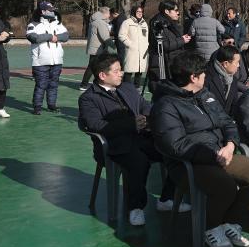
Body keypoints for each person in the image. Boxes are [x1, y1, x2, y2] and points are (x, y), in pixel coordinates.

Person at [151, 51, 249, 247]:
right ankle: (210, 228)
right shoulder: (166, 105)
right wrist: (214, 156)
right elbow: (175, 145)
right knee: (226, 186)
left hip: (221, 153)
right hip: (190, 164)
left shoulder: (205, 95)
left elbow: (227, 122)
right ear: (193, 78)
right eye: (203, 74)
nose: (206, 77)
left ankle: (229, 222)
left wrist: (230, 144)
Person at [78, 55, 183, 226]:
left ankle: (166, 199)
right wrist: (131, 124)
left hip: (142, 137)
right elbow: (95, 125)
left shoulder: (127, 87)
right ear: (102, 75)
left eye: (121, 69)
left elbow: (144, 105)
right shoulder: (89, 98)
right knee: (139, 161)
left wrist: (147, 118)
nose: (122, 73)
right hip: (114, 145)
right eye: (117, 71)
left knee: (173, 151)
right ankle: (135, 208)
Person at [26, 1, 69, 115]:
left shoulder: (58, 24)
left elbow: (66, 36)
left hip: (57, 60)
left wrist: (57, 37)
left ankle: (51, 105)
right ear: (42, 11)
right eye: (49, 10)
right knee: (41, 85)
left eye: (52, 9)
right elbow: (33, 37)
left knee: (53, 84)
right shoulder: (33, 24)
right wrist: (51, 37)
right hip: (40, 61)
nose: (52, 11)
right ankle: (37, 107)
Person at [147, 0, 191, 94]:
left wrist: (181, 39)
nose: (178, 12)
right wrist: (181, 40)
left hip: (171, 63)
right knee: (162, 93)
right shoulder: (157, 23)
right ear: (167, 11)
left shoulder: (170, 22)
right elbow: (163, 45)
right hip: (161, 65)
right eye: (175, 10)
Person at [79, 7, 112, 90]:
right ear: (105, 13)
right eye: (109, 13)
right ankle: (84, 84)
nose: (109, 15)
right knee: (93, 67)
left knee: (95, 66)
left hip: (95, 48)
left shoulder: (95, 20)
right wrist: (114, 46)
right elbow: (105, 36)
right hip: (98, 49)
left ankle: (91, 83)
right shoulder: (100, 22)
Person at [204, 46, 242, 117]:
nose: (238, 65)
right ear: (225, 64)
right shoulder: (206, 78)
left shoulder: (233, 80)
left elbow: (234, 105)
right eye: (237, 62)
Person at [118, 5, 149, 89]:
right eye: (138, 11)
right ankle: (125, 88)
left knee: (139, 71)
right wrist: (130, 44)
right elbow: (121, 35)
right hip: (132, 51)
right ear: (134, 12)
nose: (140, 13)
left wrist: (147, 46)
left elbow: (146, 37)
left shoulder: (144, 23)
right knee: (129, 70)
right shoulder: (127, 22)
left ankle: (136, 88)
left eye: (141, 12)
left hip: (142, 51)